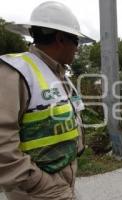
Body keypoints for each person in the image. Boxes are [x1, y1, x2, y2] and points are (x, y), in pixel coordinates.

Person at [0, 2, 94, 199]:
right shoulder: (14, 72)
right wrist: (39, 183)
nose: (77, 49)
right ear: (60, 39)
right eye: (75, 41)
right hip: (37, 189)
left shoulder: (58, 75)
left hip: (63, 179)